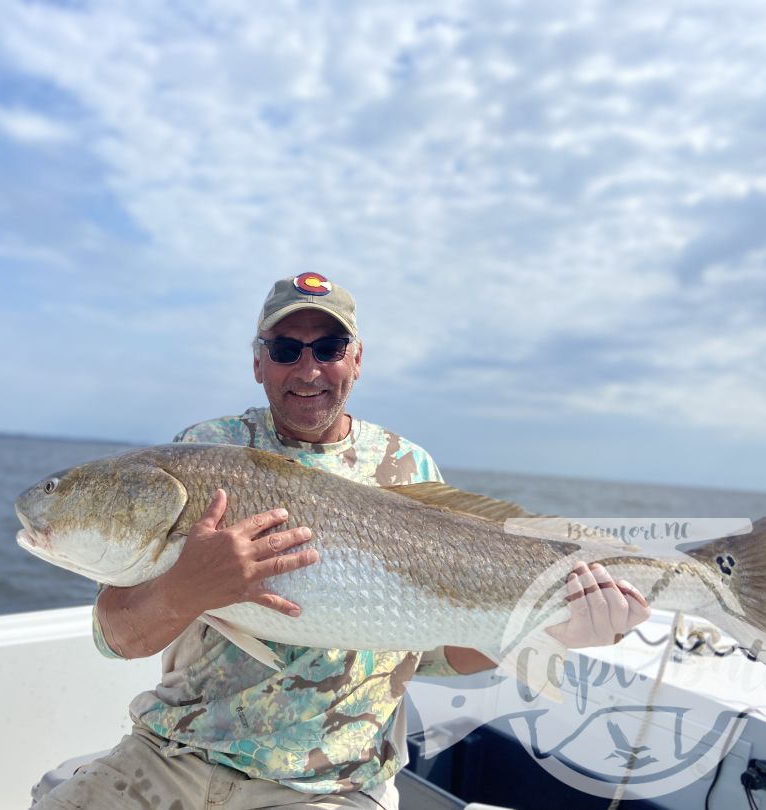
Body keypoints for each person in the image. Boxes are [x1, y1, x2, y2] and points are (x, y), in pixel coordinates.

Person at [33, 274, 650, 810]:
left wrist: (554, 628)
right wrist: (187, 589)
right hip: (175, 752)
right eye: (285, 349)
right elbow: (118, 635)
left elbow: (443, 651)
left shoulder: (407, 467)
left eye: (328, 348)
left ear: (356, 359)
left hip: (330, 784)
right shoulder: (204, 451)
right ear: (258, 362)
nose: (308, 370)